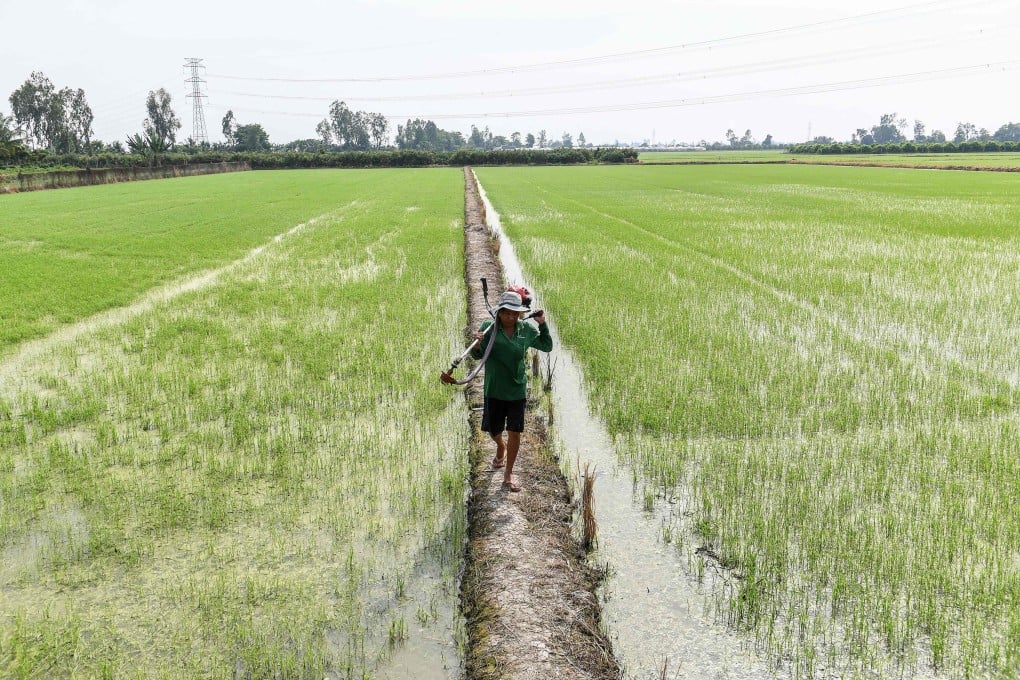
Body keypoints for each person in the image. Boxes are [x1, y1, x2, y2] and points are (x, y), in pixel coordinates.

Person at [472, 290, 552, 492]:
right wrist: (478, 342)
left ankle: (508, 474)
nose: (510, 317)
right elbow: (476, 355)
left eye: (514, 313)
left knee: (515, 431)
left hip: (516, 389)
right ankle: (500, 446)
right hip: (495, 387)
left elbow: (546, 345)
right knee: (493, 429)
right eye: (506, 313)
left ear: (519, 314)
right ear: (499, 312)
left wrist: (542, 324)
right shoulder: (488, 329)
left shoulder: (525, 330)